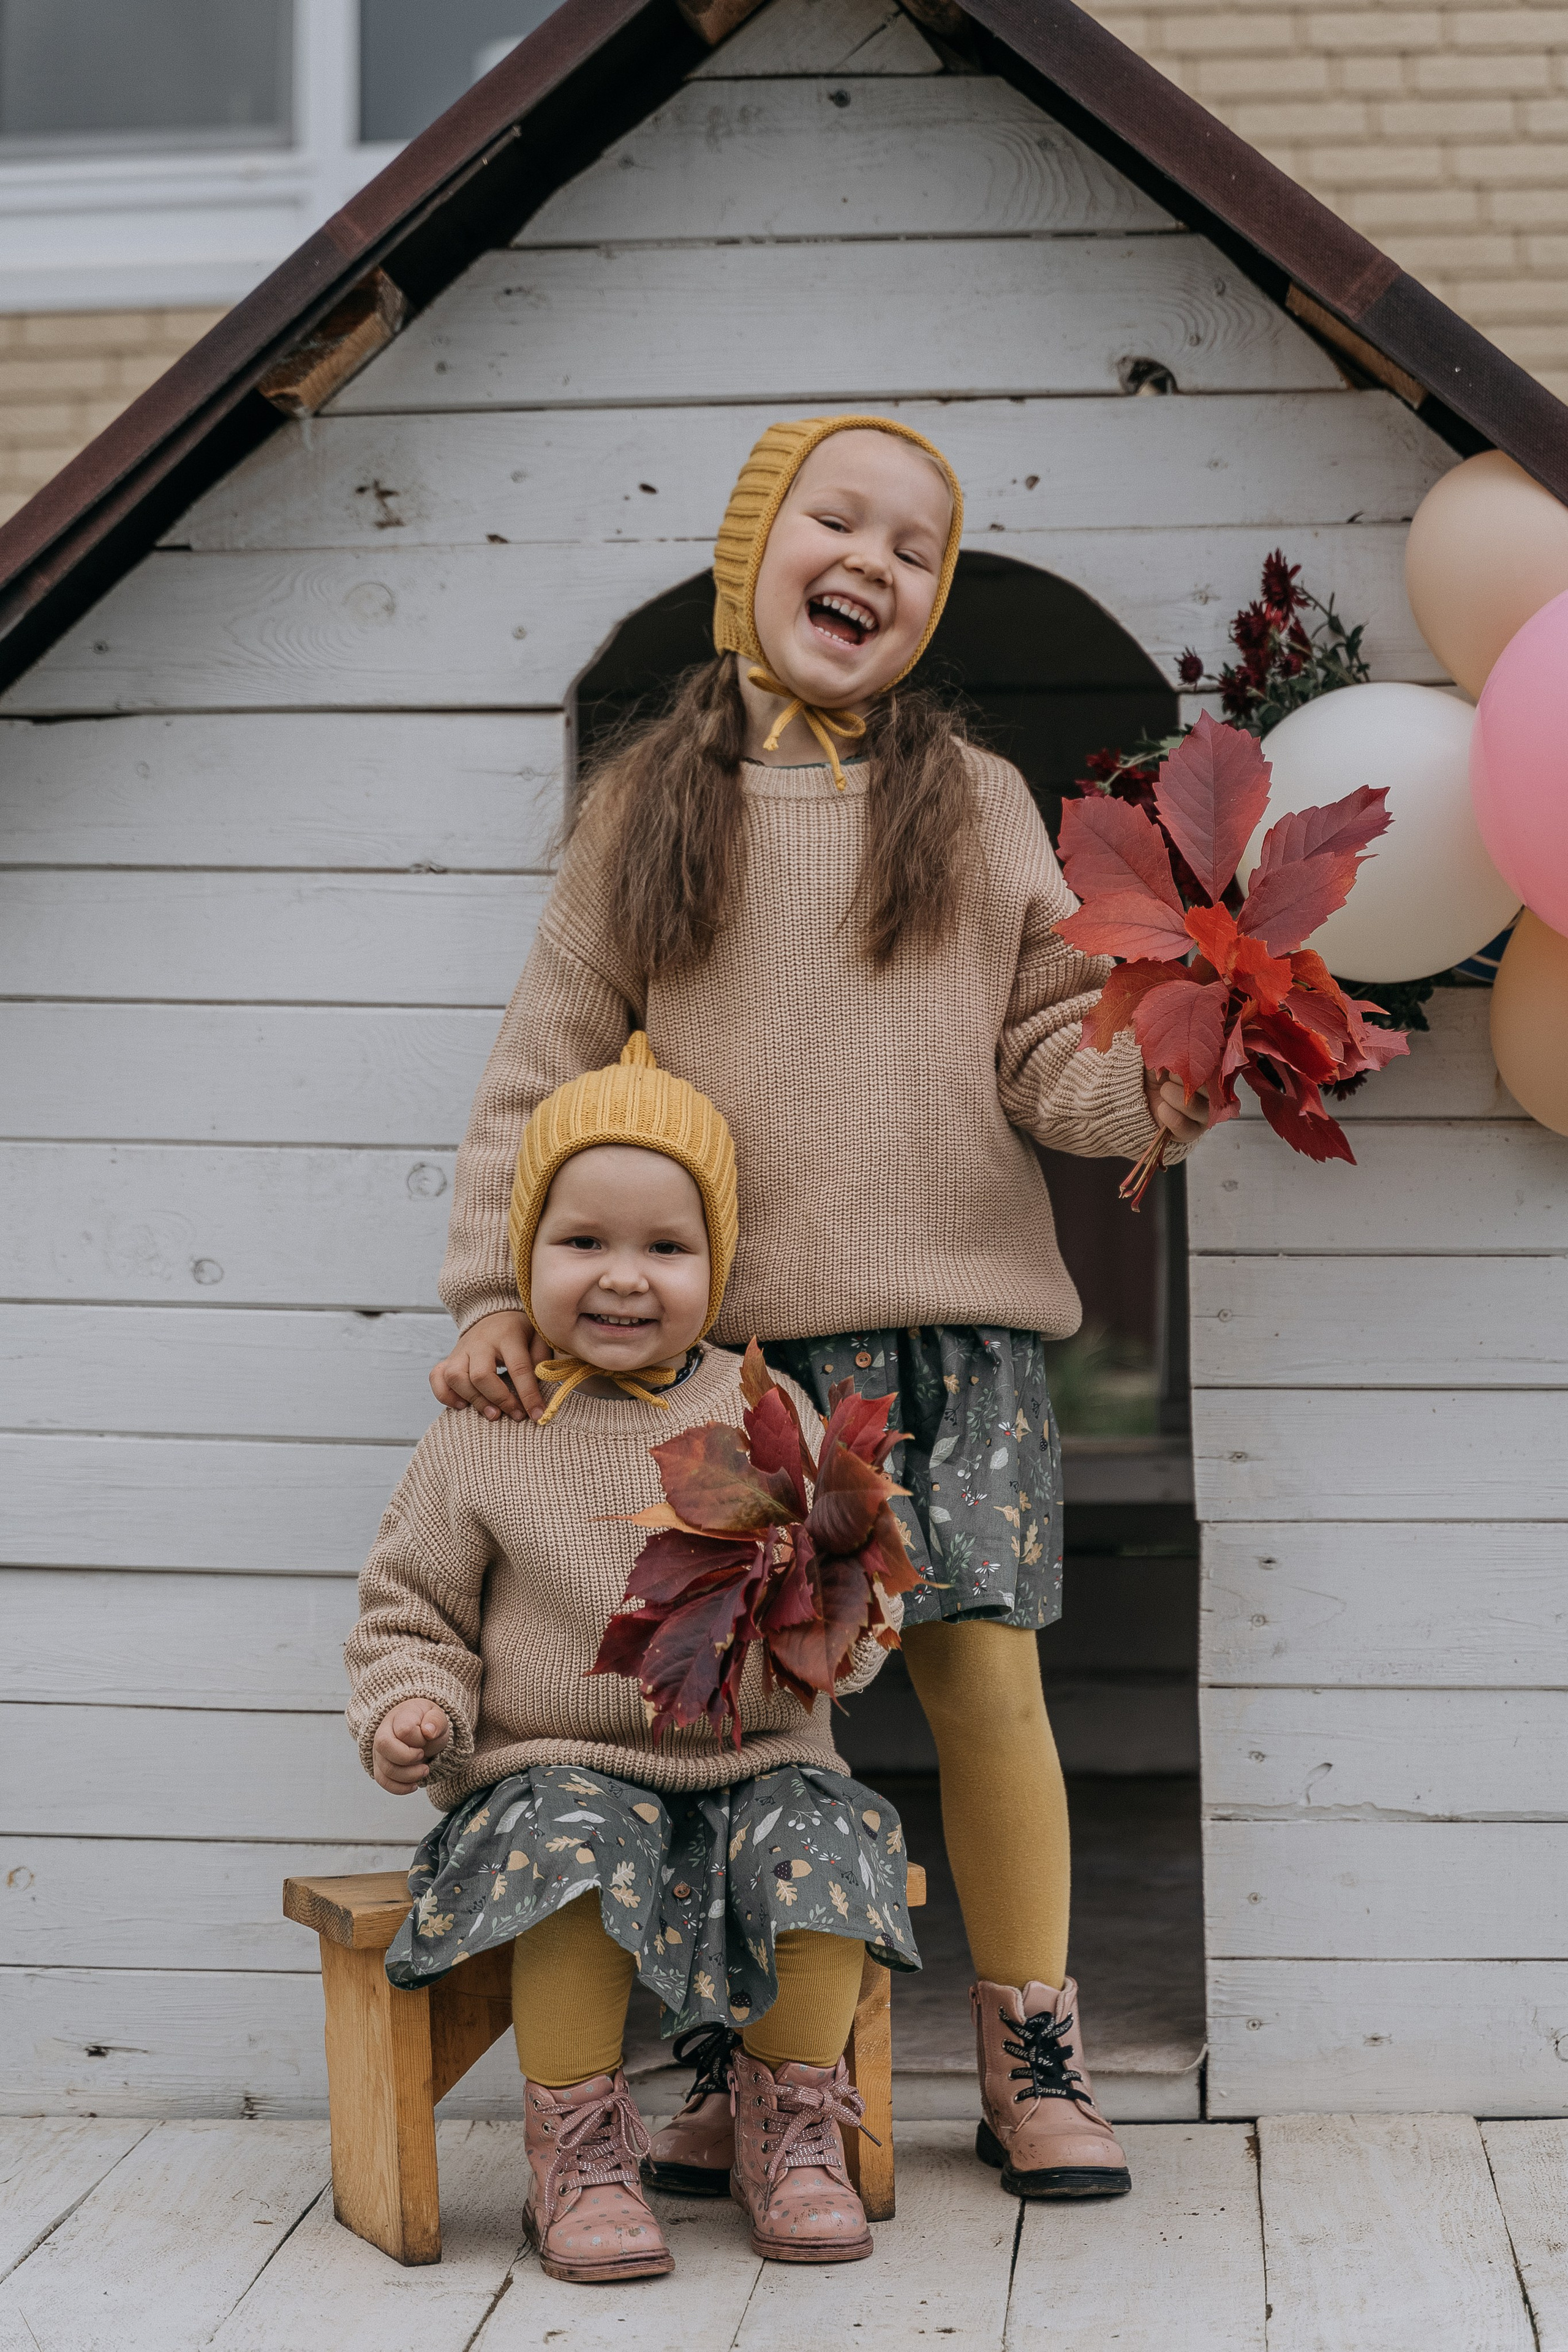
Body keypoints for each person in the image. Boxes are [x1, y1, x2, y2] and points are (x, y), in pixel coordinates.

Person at [428, 415, 1211, 2203]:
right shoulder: (647, 806)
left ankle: (1034, 2058)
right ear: (752, 548)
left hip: (964, 1340)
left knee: (987, 1690)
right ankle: (743, 2068)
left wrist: (1152, 1091)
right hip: (745, 1363)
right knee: (753, 1727)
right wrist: (496, 1293)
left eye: (917, 546)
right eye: (836, 521)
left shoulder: (978, 800)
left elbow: (1050, 1050)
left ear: (933, 603)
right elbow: (538, 1069)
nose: (874, 559)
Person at [347, 1037, 914, 2283]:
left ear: (716, 1264)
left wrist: (851, 1617)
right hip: (560, 1765)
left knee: (830, 1835)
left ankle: (789, 2123)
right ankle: (581, 2144)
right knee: (576, 1844)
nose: (621, 1279)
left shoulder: (765, 1415)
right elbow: (413, 1608)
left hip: (753, 1756)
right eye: (582, 1243)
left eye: (664, 1249)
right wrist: (413, 1705)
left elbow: (851, 1583)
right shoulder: (484, 1434)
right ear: (524, 1257)